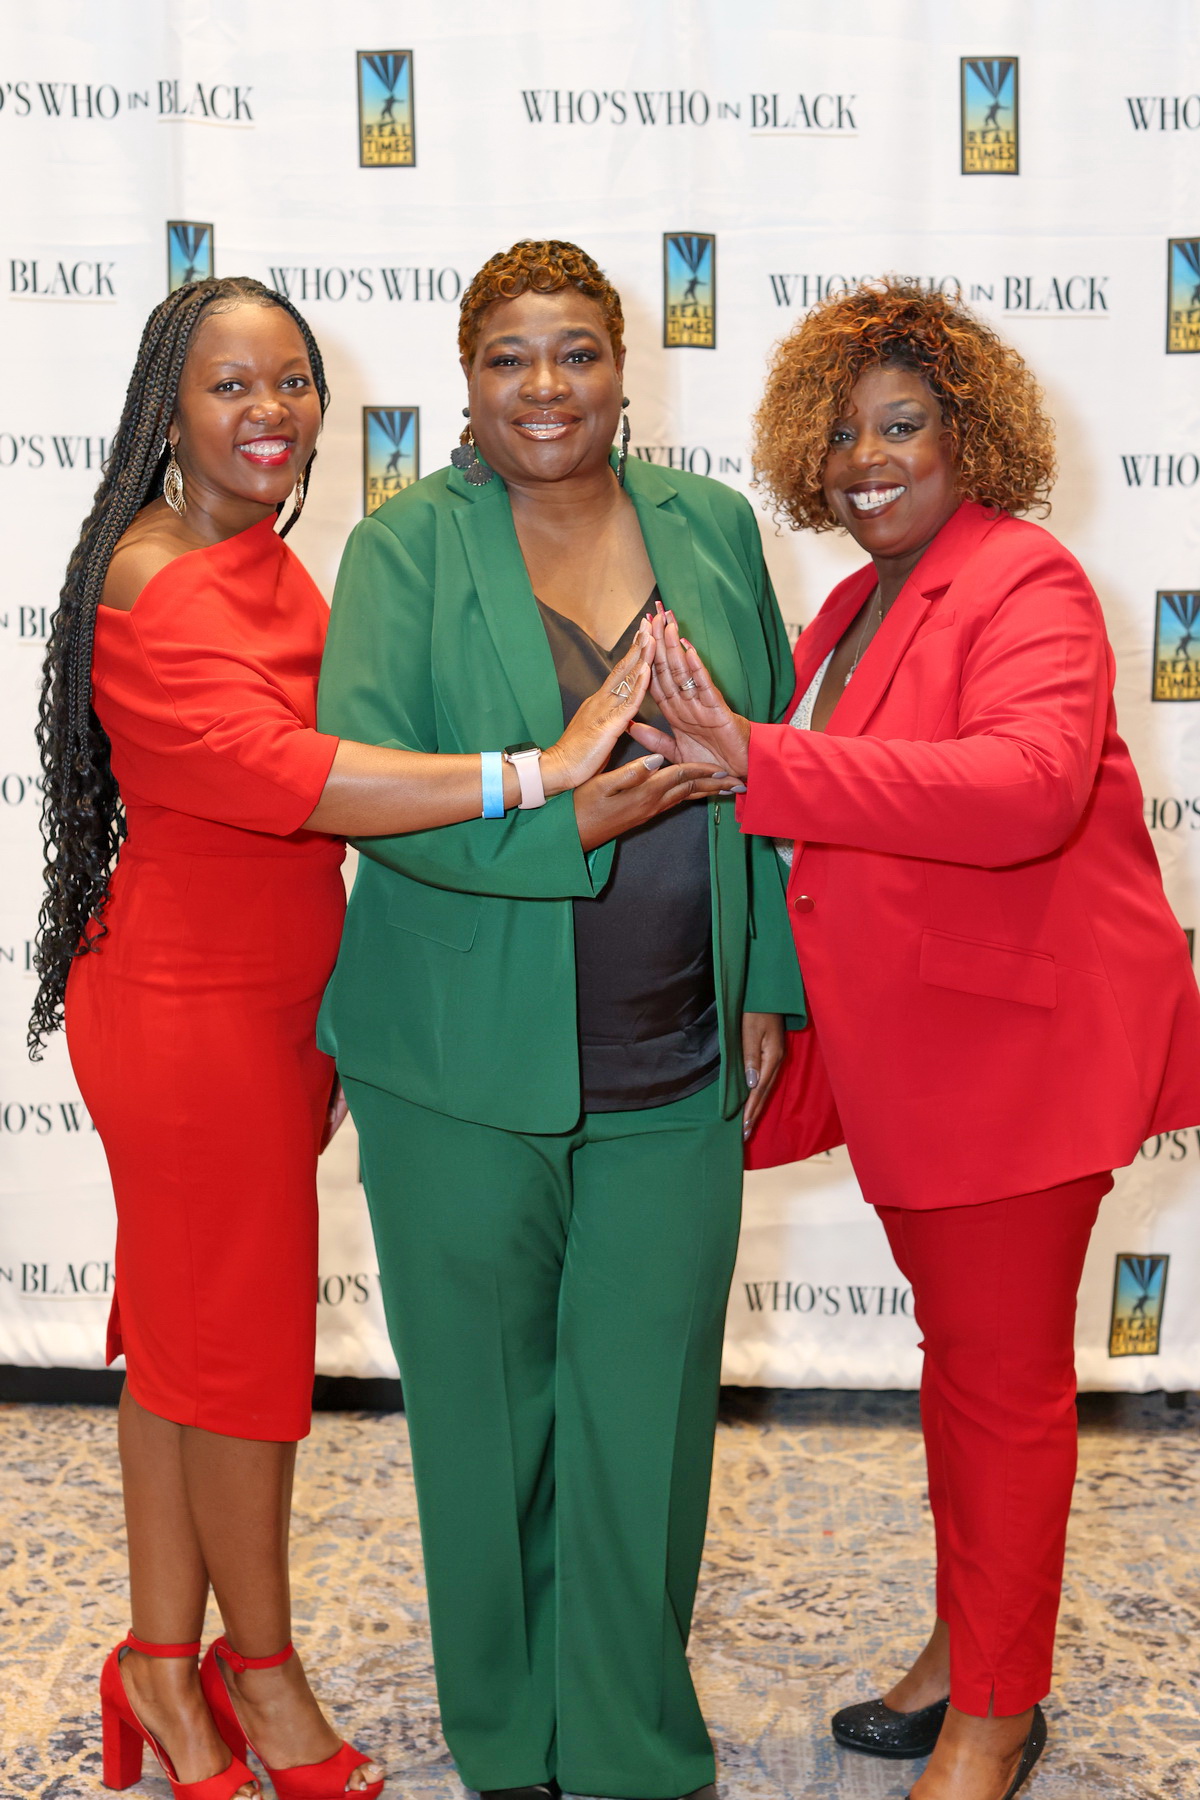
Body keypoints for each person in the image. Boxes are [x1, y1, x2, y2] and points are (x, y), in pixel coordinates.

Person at [31, 275, 661, 1800]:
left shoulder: (251, 554)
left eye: (292, 382)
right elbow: (294, 776)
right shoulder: (161, 582)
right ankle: (262, 1677)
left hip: (265, 1004)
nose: (272, 413)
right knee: (238, 1363)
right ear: (165, 410)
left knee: (184, 1346)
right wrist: (539, 770)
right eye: (231, 386)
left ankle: (159, 1664)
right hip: (192, 1015)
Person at [628, 279, 1200, 1800]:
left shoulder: (1027, 580)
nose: (867, 459)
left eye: (903, 426)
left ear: (971, 437)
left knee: (1000, 1390)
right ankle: (968, 1647)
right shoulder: (857, 604)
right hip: (926, 1060)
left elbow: (1021, 789)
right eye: (841, 434)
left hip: (1014, 1062)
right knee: (965, 1370)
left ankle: (997, 1715)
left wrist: (760, 757)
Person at [316, 239, 806, 1800]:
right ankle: (507, 1739)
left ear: (622, 368)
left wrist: (769, 974)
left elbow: (766, 765)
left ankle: (629, 1747)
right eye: (512, 355)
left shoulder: (710, 527)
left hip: (677, 1060)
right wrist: (564, 831)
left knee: (644, 1423)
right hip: (454, 1069)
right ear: (467, 377)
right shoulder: (401, 551)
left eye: (578, 350)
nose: (547, 385)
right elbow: (363, 792)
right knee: (485, 1421)